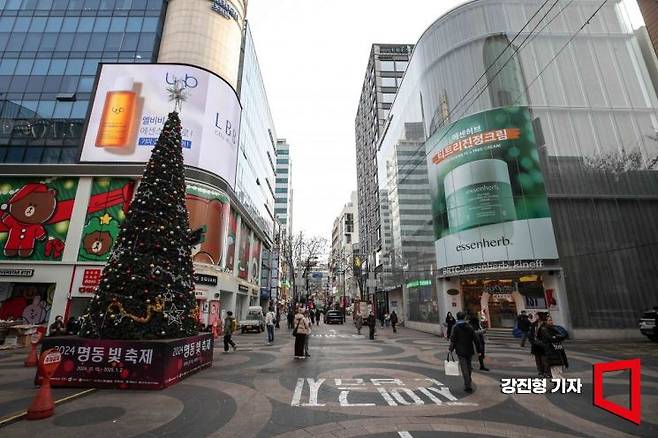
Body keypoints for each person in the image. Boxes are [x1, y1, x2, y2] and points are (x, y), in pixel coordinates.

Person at [449, 311, 482, 393]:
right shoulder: (469, 327)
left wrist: (451, 349)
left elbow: (453, 339)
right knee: (469, 365)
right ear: (464, 317)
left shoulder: (455, 327)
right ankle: (468, 381)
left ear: (457, 317)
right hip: (469, 349)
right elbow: (476, 339)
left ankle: (467, 384)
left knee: (464, 367)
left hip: (460, 350)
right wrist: (479, 350)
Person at [537, 315, 568, 379]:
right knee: (557, 372)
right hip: (552, 352)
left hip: (556, 351)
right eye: (549, 320)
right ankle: (560, 385)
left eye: (551, 320)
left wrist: (556, 337)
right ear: (545, 321)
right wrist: (557, 337)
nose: (551, 321)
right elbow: (551, 338)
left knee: (556, 372)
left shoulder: (552, 328)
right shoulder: (544, 329)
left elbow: (564, 335)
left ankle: (559, 385)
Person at [529, 312, 549, 376]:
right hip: (535, 344)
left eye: (536, 315)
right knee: (538, 359)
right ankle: (540, 371)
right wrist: (532, 340)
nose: (535, 317)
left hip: (543, 344)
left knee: (544, 359)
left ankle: (547, 372)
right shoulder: (534, 324)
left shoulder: (545, 324)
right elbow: (531, 333)